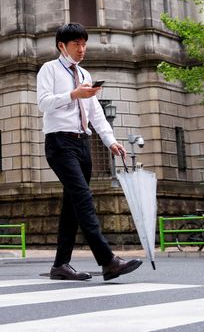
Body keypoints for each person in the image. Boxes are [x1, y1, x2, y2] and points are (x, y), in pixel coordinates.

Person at [36, 23, 142, 282]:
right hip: (60, 143)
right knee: (83, 198)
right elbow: (44, 103)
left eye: (84, 44)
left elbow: (95, 112)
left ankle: (60, 265)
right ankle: (107, 260)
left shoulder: (84, 74)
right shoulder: (48, 69)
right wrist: (73, 94)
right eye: (76, 44)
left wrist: (111, 141)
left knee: (72, 206)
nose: (82, 49)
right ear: (62, 45)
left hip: (83, 144)